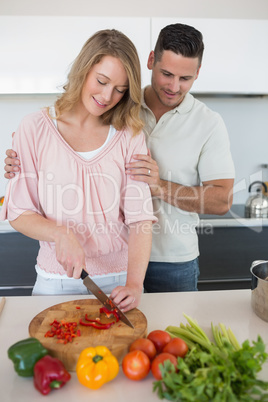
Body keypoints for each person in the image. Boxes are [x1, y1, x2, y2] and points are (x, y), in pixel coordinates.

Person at [4, 23, 235, 293]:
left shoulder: (193, 125)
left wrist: (158, 186)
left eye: (185, 78)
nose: (174, 86)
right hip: (69, 273)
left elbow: (220, 201)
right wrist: (30, 144)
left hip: (167, 261)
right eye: (167, 74)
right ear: (151, 62)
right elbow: (20, 207)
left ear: (197, 74)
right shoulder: (124, 114)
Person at [0, 29, 156, 312]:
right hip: (54, 283)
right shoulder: (33, 128)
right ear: (84, 69)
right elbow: (18, 212)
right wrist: (61, 234)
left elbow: (140, 218)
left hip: (119, 282)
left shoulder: (130, 135)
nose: (107, 96)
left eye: (120, 89)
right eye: (102, 81)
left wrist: (134, 283)